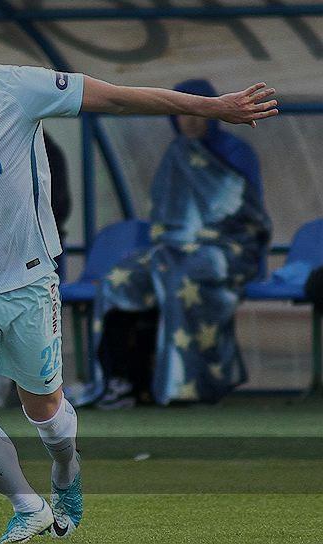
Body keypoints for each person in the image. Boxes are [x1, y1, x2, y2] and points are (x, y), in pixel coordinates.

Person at [0, 1, 278, 541]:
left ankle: (66, 467)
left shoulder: (19, 89)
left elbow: (117, 97)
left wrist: (212, 107)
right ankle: (27, 506)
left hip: (28, 278)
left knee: (44, 409)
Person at [93, 79, 272, 409]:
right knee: (120, 278)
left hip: (229, 250)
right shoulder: (175, 153)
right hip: (172, 248)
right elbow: (165, 212)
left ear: (212, 113)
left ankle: (186, 384)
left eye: (197, 112)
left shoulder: (235, 152)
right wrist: (173, 241)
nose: (188, 121)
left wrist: (201, 239)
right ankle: (118, 381)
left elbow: (247, 215)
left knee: (178, 275)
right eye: (182, 113)